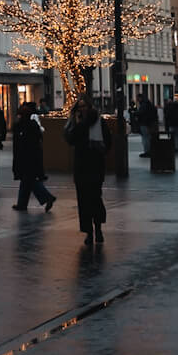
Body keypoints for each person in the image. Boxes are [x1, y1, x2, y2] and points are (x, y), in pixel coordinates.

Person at [65, 94, 110, 244]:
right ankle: (89, 232)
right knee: (84, 200)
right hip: (82, 166)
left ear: (89, 107)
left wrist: (100, 151)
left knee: (94, 198)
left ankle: (97, 229)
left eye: (84, 106)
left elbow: (107, 141)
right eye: (80, 107)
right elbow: (70, 139)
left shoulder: (97, 122)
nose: (82, 109)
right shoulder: (76, 122)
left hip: (94, 165)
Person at [11, 102, 56, 213]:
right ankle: (22, 204)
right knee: (26, 181)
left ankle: (47, 197)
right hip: (33, 157)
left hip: (25, 158)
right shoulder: (33, 125)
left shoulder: (21, 126)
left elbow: (19, 145)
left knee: (29, 180)